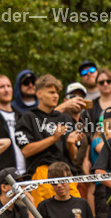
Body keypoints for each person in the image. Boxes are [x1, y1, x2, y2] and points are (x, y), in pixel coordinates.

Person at [14, 74, 84, 206]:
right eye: (51, 92)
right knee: (44, 217)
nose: (55, 96)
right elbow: (26, 151)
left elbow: (74, 156)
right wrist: (53, 138)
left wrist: (70, 144)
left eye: (57, 92)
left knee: (76, 215)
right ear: (39, 93)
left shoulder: (65, 118)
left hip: (66, 173)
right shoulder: (28, 117)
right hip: (42, 173)